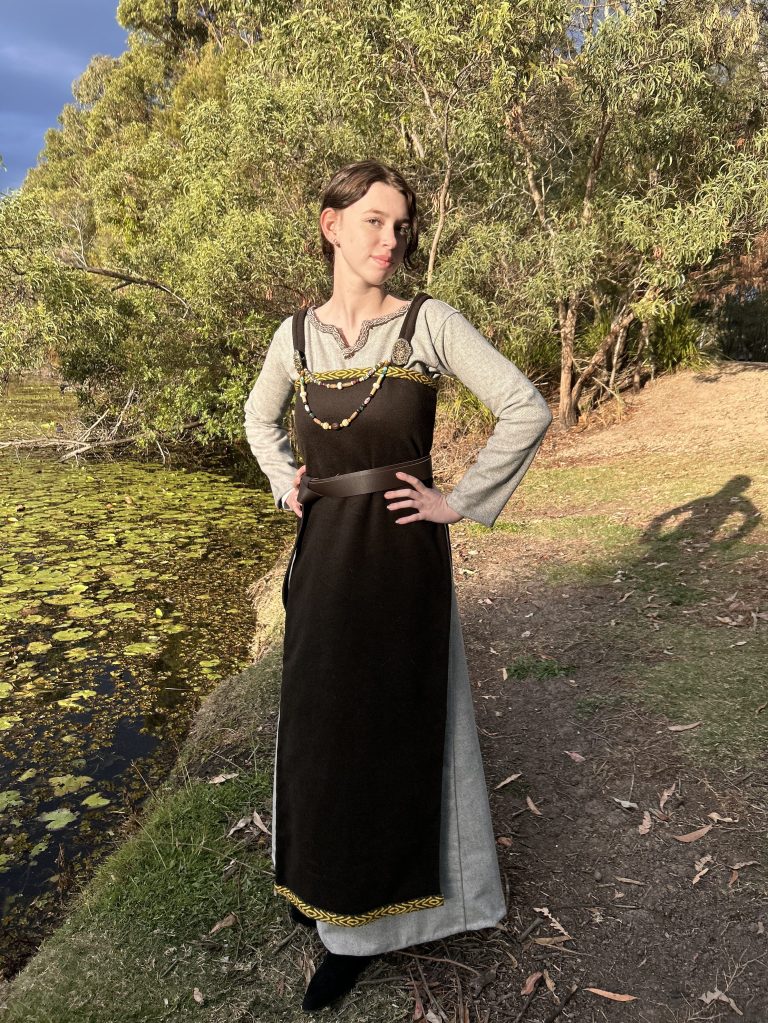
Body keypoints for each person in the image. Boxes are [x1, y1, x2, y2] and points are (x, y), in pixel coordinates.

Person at [243, 159, 552, 1012]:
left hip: (401, 560)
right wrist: (282, 479)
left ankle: (381, 925)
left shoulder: (428, 323)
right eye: (373, 221)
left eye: (400, 224)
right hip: (322, 556)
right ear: (331, 225)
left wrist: (460, 500)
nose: (390, 239)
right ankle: (326, 896)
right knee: (323, 727)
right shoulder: (294, 338)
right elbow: (258, 418)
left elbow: (524, 407)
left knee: (395, 723)